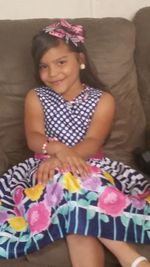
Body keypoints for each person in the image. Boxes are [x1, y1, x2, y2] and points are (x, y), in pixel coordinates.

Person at [0, 19, 149, 267]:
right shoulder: (36, 97)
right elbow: (34, 137)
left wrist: (65, 159)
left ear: (80, 59)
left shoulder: (103, 100)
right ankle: (133, 260)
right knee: (64, 181)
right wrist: (56, 151)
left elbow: (93, 141)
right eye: (44, 66)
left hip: (90, 167)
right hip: (45, 169)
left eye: (61, 62)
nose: (53, 73)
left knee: (73, 183)